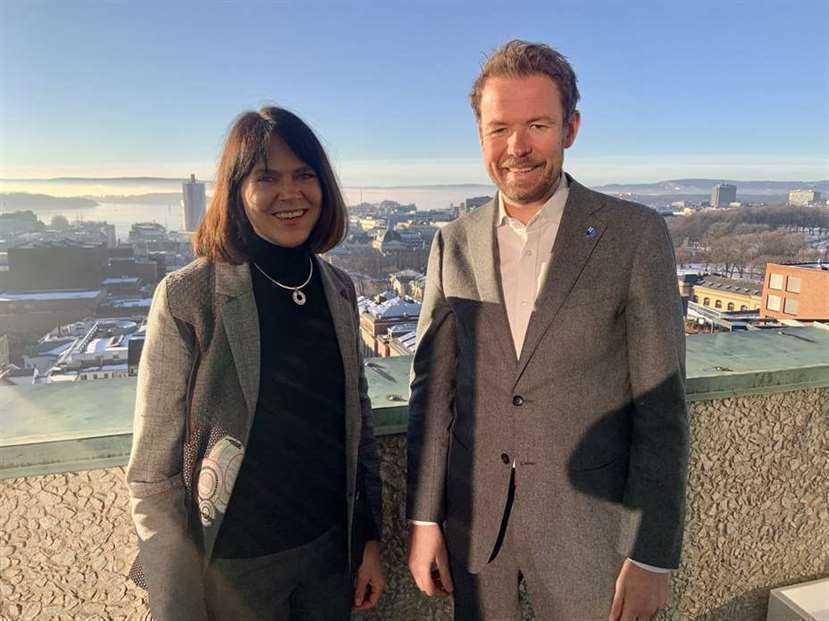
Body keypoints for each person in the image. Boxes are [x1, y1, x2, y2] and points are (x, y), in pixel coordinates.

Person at [406, 40, 689, 621]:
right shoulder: (451, 243)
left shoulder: (634, 235)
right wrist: (425, 518)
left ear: (570, 129)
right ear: (480, 135)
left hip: (590, 535)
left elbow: (660, 405)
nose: (517, 147)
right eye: (499, 128)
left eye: (537, 125)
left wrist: (653, 554)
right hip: (475, 530)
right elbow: (433, 395)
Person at [126, 106, 385, 620]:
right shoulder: (189, 297)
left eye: (304, 175)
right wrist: (176, 604)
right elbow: (153, 476)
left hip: (329, 556)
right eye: (267, 178)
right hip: (235, 570)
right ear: (237, 191)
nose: (291, 193)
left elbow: (359, 426)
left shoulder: (337, 289)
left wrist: (368, 540)